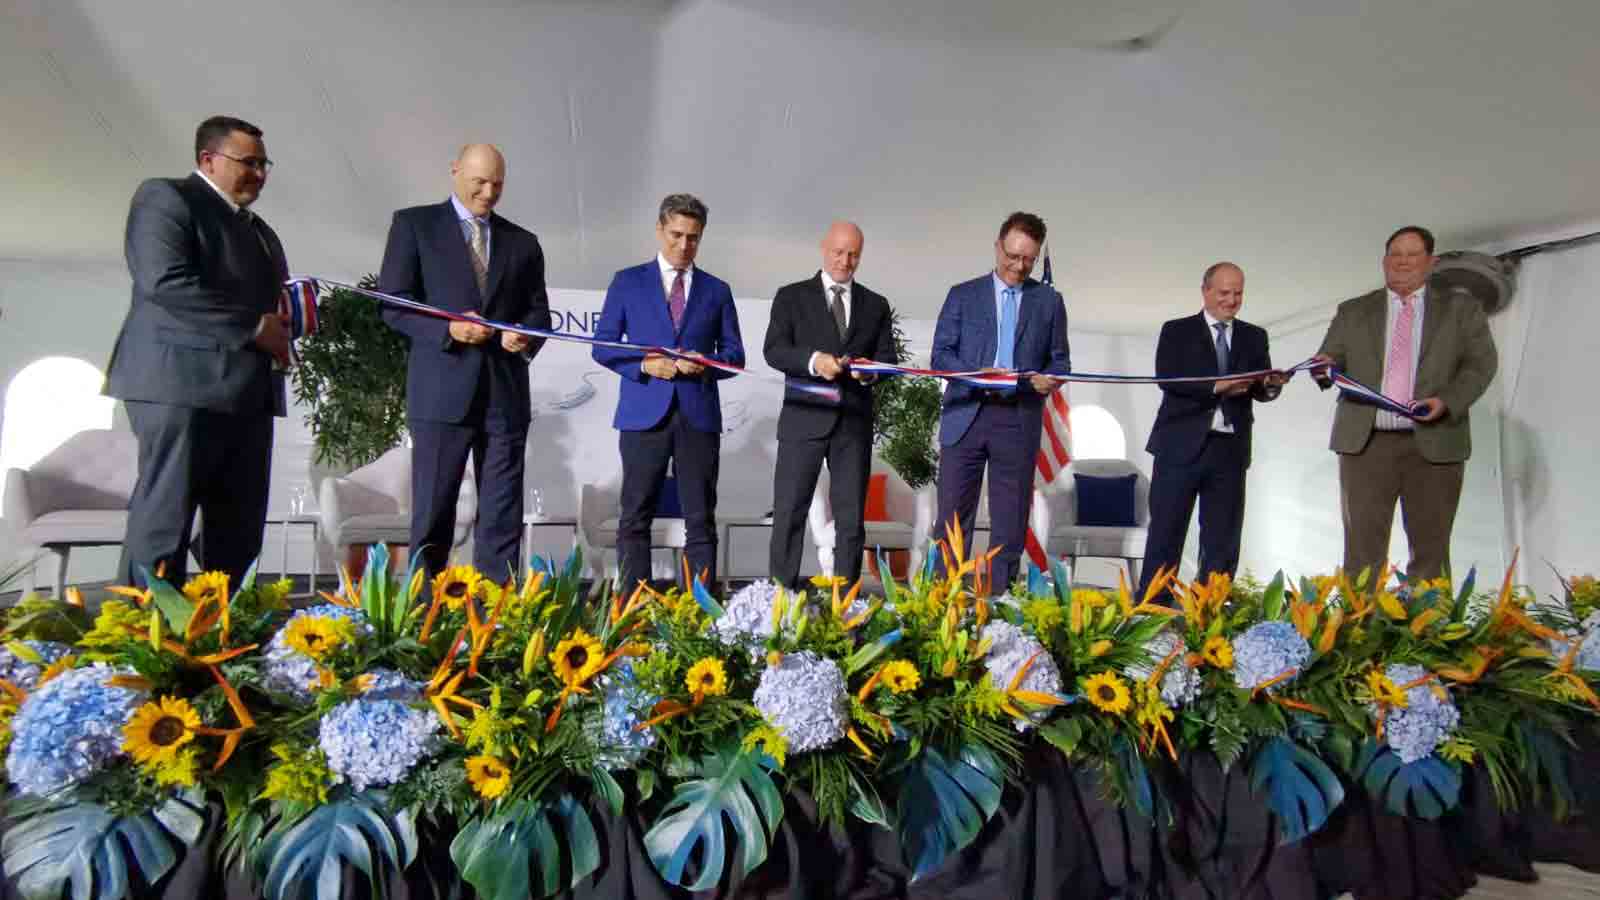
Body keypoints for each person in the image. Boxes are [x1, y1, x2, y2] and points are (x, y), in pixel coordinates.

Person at [106, 115, 290, 589]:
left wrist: (292, 323)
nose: (259, 174)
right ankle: (145, 629)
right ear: (208, 159)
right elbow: (165, 280)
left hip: (248, 393)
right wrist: (255, 326)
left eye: (264, 164)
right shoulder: (166, 198)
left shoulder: (261, 231)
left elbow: (269, 303)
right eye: (248, 162)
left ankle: (226, 627)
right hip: (178, 386)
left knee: (239, 530)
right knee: (165, 523)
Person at [378, 143, 551, 583]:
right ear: (455, 171)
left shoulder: (523, 242)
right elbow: (394, 304)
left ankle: (495, 608)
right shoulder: (414, 225)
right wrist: (448, 330)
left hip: (504, 396)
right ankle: (425, 607)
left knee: (502, 514)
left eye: (497, 184)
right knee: (433, 511)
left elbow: (539, 314)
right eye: (480, 182)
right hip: (441, 395)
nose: (489, 193)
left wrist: (523, 335)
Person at [1312, 226, 1497, 582]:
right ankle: (1360, 619)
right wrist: (1323, 367)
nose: (1403, 262)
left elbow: (1481, 365)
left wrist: (1447, 401)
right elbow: (1329, 361)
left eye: (1413, 254)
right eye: (1395, 254)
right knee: (1361, 553)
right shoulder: (1353, 311)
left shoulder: (1461, 309)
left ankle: (1427, 619)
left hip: (1436, 442)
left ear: (1431, 262)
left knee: (1431, 553)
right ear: (1384, 261)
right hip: (1365, 444)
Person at [593, 194, 744, 592]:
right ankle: (633, 607)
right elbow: (603, 346)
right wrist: (644, 364)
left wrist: (705, 363)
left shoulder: (718, 290)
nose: (683, 245)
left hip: (698, 417)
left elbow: (735, 356)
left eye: (693, 238)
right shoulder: (627, 281)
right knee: (635, 517)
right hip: (643, 413)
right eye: (676, 235)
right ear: (660, 230)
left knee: (701, 519)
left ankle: (701, 613)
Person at [931, 211, 1070, 593]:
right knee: (952, 518)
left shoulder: (1049, 301)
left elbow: (1060, 362)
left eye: (1028, 259)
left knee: (1010, 520)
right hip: (966, 415)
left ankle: (999, 602)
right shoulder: (962, 295)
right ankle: (943, 602)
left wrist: (1049, 378)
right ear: (997, 247)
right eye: (1012, 256)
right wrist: (977, 374)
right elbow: (941, 356)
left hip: (1018, 417)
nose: (1019, 266)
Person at [1138, 262, 1286, 598]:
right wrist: (1217, 387)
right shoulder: (1176, 330)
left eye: (1238, 293)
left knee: (1222, 541)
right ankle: (1151, 612)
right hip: (1179, 447)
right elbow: (1167, 378)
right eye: (1224, 293)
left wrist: (1271, 385)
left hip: (1229, 451)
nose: (1231, 300)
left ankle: (1209, 613)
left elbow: (1260, 391)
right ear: (1205, 291)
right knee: (1165, 535)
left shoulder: (1254, 336)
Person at [763, 221, 896, 590]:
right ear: (824, 248)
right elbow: (774, 350)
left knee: (851, 519)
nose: (845, 261)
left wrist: (870, 373)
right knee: (789, 511)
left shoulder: (876, 305)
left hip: (852, 425)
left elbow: (888, 360)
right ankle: (781, 596)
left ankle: (845, 599)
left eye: (853, 254)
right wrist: (813, 361)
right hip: (803, 421)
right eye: (838, 252)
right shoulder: (791, 297)